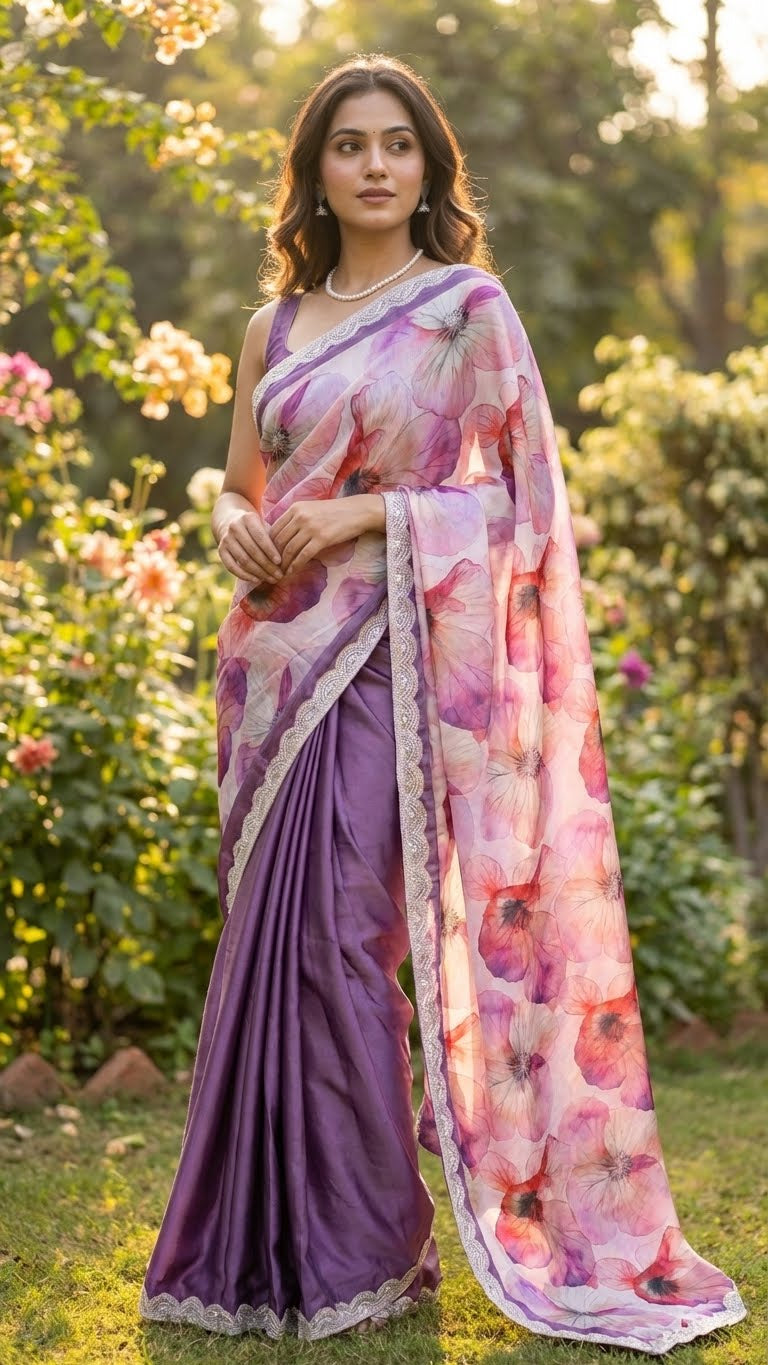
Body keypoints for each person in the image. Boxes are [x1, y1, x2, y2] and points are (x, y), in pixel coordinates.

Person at [138, 54, 747, 1351]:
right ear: (313, 172)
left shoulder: (467, 312)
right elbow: (244, 484)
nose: (371, 165)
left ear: (427, 167)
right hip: (277, 668)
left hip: (402, 668)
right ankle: (263, 1255)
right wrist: (240, 523)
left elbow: (522, 506)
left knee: (343, 940)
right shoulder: (276, 327)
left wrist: (367, 511)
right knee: (270, 955)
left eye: (395, 145)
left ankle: (365, 1247)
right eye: (346, 146)